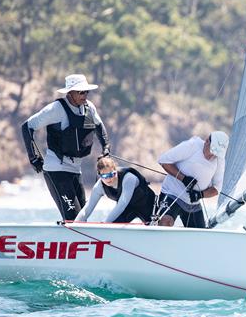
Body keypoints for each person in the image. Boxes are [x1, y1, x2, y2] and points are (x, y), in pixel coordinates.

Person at [21, 74, 111, 221]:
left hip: (76, 169)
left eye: (86, 91)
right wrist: (33, 157)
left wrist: (106, 149)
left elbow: (99, 128)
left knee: (82, 218)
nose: (85, 95)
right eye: (80, 92)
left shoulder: (88, 108)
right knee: (73, 218)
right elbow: (27, 127)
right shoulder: (56, 109)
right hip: (57, 170)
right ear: (70, 93)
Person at [156, 131, 228, 228]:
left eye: (216, 154)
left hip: (193, 204)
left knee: (200, 237)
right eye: (212, 150)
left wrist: (200, 194)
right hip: (172, 194)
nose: (213, 156)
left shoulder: (220, 160)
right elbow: (163, 160)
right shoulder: (192, 146)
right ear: (207, 141)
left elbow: (216, 189)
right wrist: (183, 178)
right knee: (165, 222)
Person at [74, 157, 156, 223]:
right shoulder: (99, 186)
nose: (109, 179)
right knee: (112, 223)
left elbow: (122, 204)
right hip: (127, 210)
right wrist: (75, 224)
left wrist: (104, 223)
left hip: (148, 206)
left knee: (156, 224)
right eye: (105, 176)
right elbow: (87, 209)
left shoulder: (129, 178)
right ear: (99, 175)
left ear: (115, 171)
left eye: (111, 174)